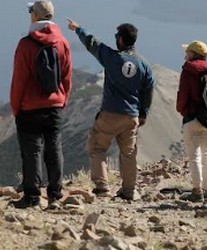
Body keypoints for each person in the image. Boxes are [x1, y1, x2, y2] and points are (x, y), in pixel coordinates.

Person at [66, 18, 155, 201]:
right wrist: (143, 113)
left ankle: (102, 187)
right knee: (128, 153)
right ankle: (129, 191)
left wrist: (78, 29)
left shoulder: (112, 58)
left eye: (116, 36)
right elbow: (148, 90)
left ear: (121, 39)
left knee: (97, 147)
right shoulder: (144, 64)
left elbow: (92, 43)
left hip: (110, 113)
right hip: (132, 116)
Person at [10, 0, 73, 209]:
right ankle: (55, 194)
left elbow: (19, 80)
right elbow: (67, 77)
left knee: (32, 151)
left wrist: (15, 106)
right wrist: (63, 100)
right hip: (54, 107)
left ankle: (32, 197)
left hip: (29, 108)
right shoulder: (62, 43)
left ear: (35, 15)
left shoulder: (26, 44)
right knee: (54, 149)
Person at [176, 40, 207, 202]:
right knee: (206, 155)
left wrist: (183, 111)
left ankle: (196, 191)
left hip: (192, 118)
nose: (185, 55)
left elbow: (182, 95)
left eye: (187, 52)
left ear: (193, 54)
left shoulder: (188, 70)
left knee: (194, 156)